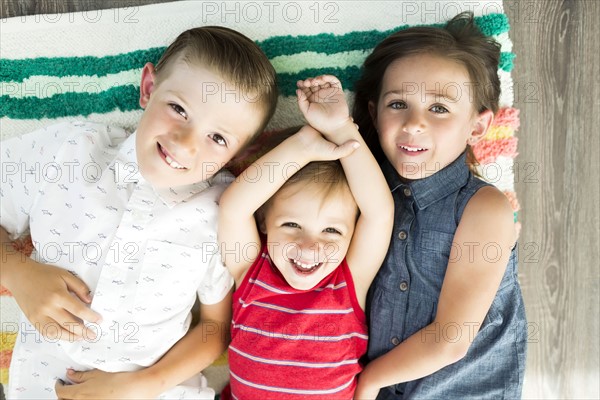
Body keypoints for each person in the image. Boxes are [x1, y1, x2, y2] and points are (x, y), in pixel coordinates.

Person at [0, 26, 278, 399]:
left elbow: (215, 328)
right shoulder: (71, 150)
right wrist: (18, 273)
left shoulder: (222, 210)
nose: (185, 143)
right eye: (179, 109)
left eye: (218, 138)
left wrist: (143, 384)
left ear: (239, 155)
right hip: (47, 384)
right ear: (148, 88)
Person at [350, 12, 527, 399]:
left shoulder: (484, 209)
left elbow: (451, 339)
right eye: (397, 104)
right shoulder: (363, 190)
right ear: (374, 111)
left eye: (440, 108)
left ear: (476, 127)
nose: (414, 123)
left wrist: (370, 382)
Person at [218, 75, 394, 399]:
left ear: (353, 234)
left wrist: (342, 129)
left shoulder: (348, 282)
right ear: (264, 222)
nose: (309, 247)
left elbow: (380, 213)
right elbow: (232, 209)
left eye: (331, 230)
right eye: (292, 225)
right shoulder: (252, 272)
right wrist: (300, 147)